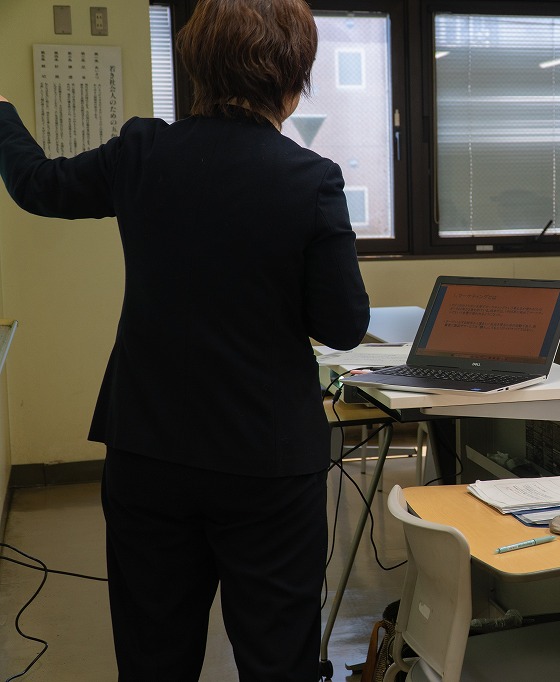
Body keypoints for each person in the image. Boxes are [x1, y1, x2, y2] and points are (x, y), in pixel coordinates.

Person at [0, 0, 370, 678]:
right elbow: (344, 326)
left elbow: (38, 185)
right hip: (266, 458)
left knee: (154, 657)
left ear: (198, 65)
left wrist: (1, 115)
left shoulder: (141, 152)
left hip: (148, 450)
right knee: (277, 659)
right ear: (291, 79)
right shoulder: (310, 179)